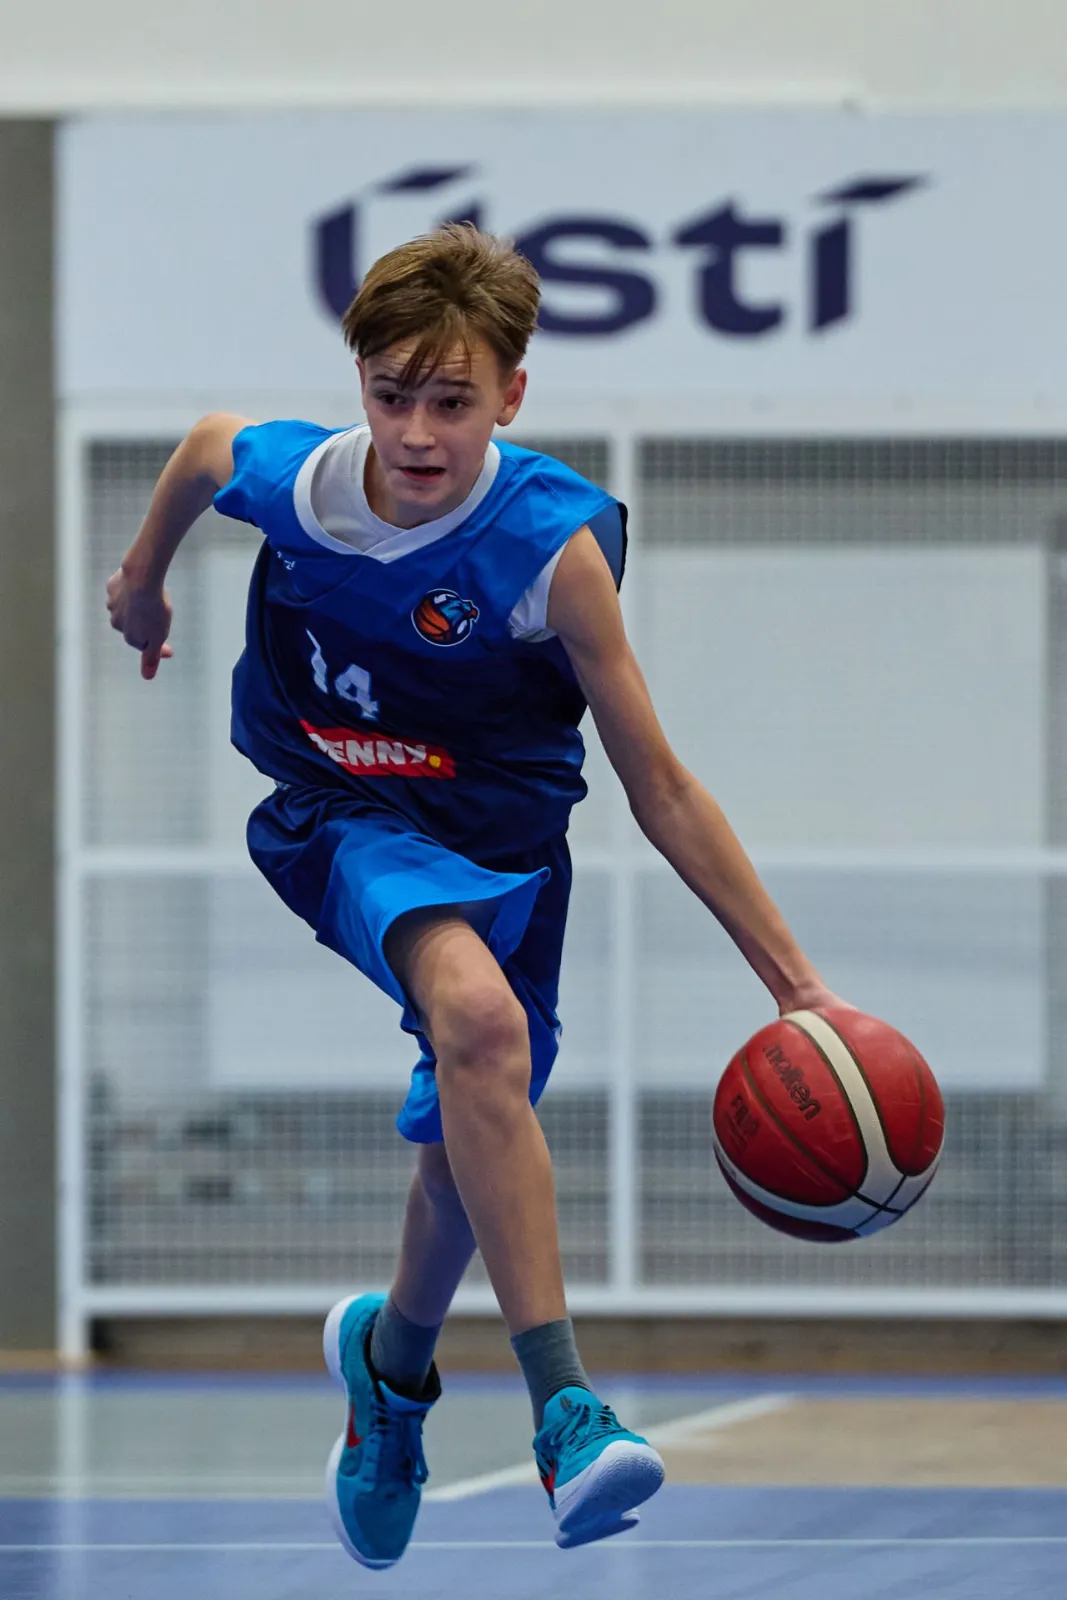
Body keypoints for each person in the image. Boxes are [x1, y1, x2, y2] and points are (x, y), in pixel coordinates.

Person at [106, 223, 841, 1567]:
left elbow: (661, 787)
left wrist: (798, 988)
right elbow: (209, 446)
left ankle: (390, 1371)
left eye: (450, 400)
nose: (415, 431)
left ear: (511, 394)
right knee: (481, 1027)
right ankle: (566, 1410)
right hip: (337, 810)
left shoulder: (550, 551)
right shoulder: (306, 486)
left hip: (508, 853)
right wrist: (142, 584)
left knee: (466, 1139)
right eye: (391, 393)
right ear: (360, 383)